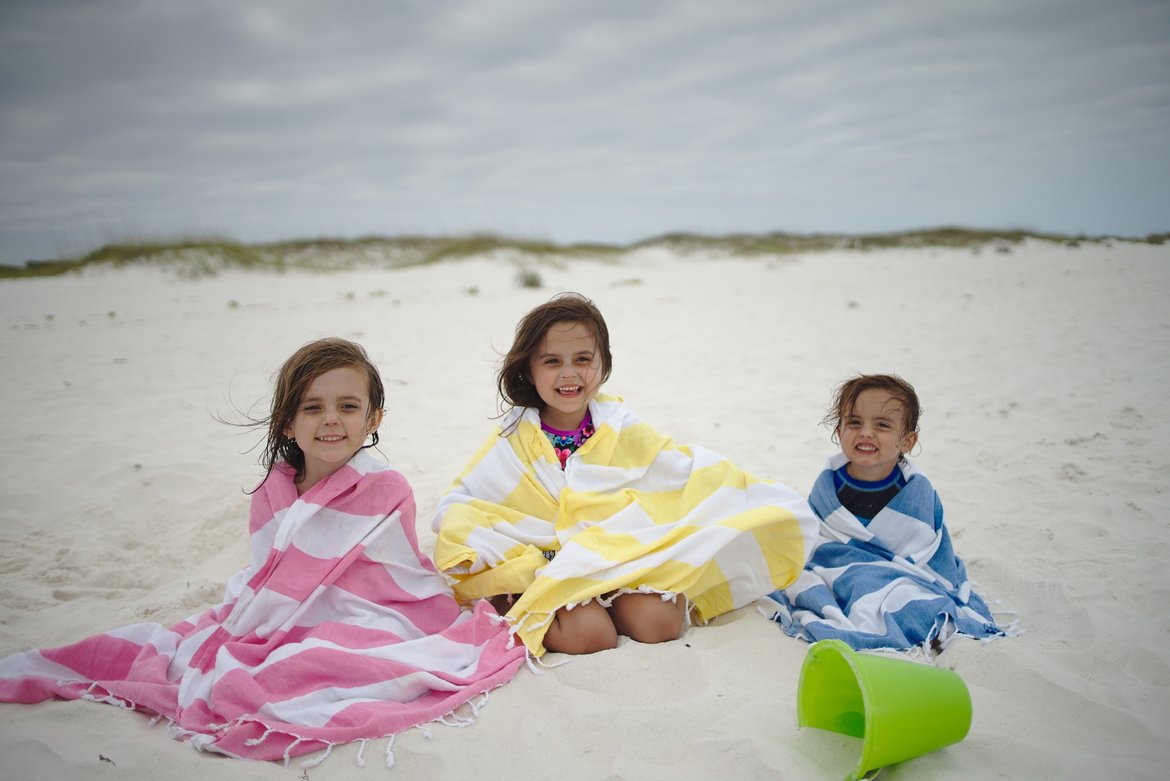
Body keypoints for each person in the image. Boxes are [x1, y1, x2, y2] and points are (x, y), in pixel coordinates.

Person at [0, 338, 525, 763]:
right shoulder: (274, 488)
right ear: (286, 422)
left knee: (317, 661)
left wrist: (311, 615)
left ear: (374, 419)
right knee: (218, 658)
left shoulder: (386, 487)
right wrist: (265, 617)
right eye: (312, 407)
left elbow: (391, 576)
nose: (331, 420)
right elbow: (266, 571)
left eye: (348, 407)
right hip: (279, 610)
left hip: (374, 611)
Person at [431, 293, 818, 657]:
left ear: (603, 364)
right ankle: (532, 601)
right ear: (530, 371)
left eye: (582, 359)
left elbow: (677, 472)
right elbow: (464, 503)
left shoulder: (620, 426)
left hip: (620, 557)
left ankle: (601, 595)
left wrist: (744, 492)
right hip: (547, 562)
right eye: (552, 362)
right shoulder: (513, 438)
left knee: (659, 624)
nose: (569, 374)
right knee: (591, 637)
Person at [762, 374, 1007, 651]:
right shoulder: (827, 487)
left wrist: (882, 569)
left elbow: (927, 548)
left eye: (882, 425)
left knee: (909, 597)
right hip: (842, 566)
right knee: (808, 582)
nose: (866, 432)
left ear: (907, 441)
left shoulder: (916, 493)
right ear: (839, 431)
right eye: (854, 422)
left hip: (902, 569)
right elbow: (818, 539)